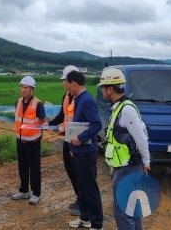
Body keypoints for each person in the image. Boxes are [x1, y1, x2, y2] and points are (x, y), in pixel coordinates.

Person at [99, 68, 151, 230]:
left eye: (103, 87)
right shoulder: (118, 107)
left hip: (129, 168)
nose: (101, 91)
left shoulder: (126, 110)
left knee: (122, 212)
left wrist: (146, 161)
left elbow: (141, 138)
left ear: (110, 89)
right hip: (124, 166)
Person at [65, 71, 104, 230]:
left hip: (87, 151)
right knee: (81, 186)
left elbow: (96, 124)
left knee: (89, 187)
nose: (66, 86)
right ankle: (85, 217)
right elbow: (80, 124)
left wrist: (79, 139)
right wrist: (74, 147)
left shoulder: (86, 100)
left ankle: (97, 224)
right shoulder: (78, 99)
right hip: (80, 151)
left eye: (67, 83)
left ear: (74, 83)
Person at [43, 65, 81, 216]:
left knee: (78, 172)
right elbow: (62, 116)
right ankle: (79, 197)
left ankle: (82, 201)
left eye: (66, 80)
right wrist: (49, 124)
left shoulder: (81, 98)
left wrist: (65, 131)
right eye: (63, 80)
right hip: (67, 139)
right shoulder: (66, 96)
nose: (64, 82)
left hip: (76, 141)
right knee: (70, 170)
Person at [11, 76, 46, 205]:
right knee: (22, 166)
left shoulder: (38, 104)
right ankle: (24, 190)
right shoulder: (18, 102)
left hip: (33, 141)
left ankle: (36, 193)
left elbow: (42, 122)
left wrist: (38, 135)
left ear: (32, 89)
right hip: (20, 140)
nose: (23, 90)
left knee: (34, 168)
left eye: (26, 87)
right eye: (22, 87)